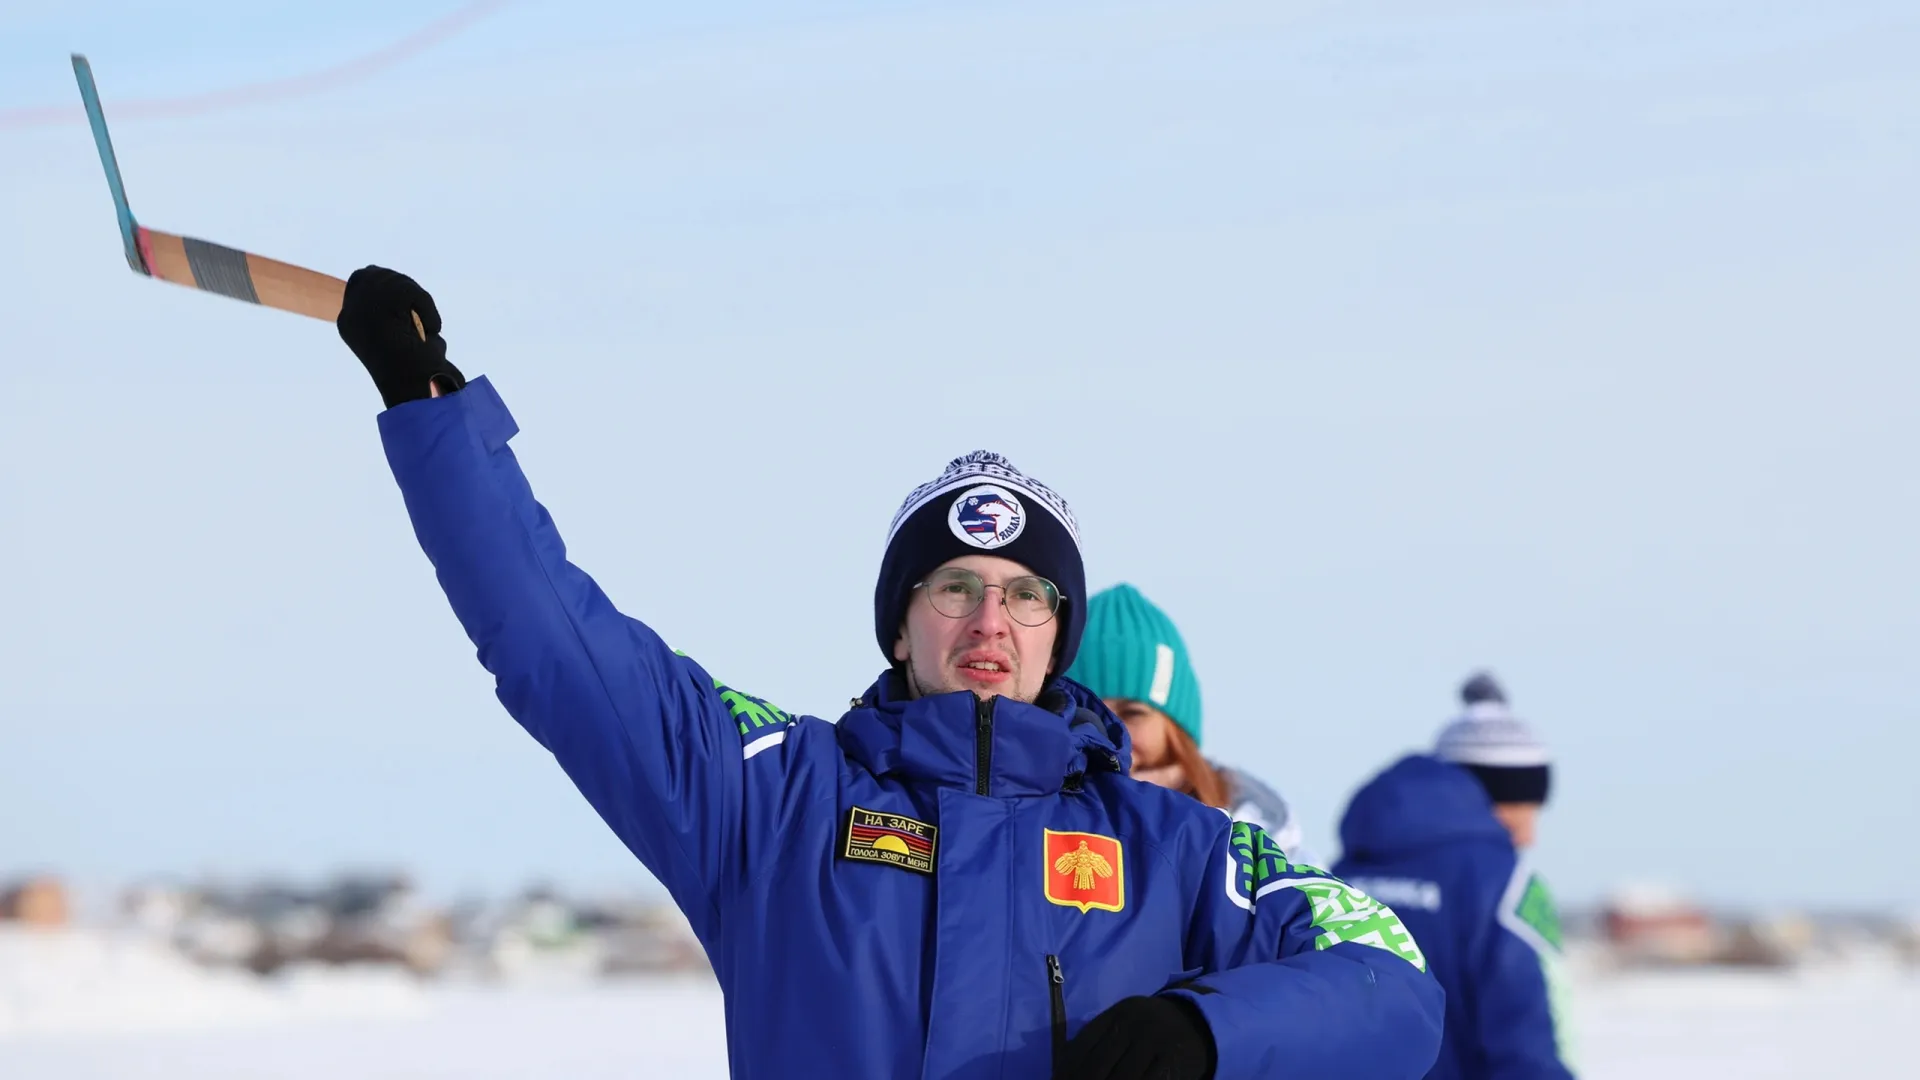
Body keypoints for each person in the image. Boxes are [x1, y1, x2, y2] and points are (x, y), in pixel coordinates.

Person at [334, 266, 1444, 1080]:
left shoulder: (1182, 848)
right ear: (899, 626)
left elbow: (1391, 980)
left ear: (1060, 636)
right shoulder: (773, 797)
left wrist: (1207, 1031)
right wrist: (438, 428)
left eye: (1025, 595)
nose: (988, 622)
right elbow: (556, 646)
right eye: (951, 587)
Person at [1333, 672, 1576, 1080]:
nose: (1529, 835)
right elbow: (1524, 1041)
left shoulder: (1342, 875)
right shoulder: (1504, 885)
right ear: (1478, 796)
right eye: (1521, 814)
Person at [1064, 583, 1317, 865]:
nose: (1111, 732)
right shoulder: (1035, 824)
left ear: (1174, 727)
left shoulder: (1268, 847)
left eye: (1133, 712)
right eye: (1089, 713)